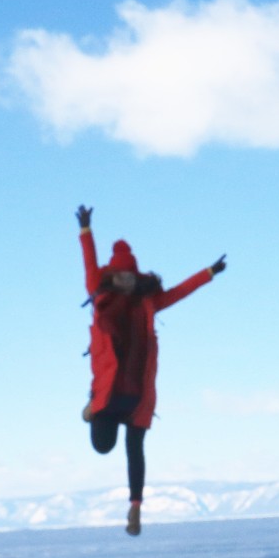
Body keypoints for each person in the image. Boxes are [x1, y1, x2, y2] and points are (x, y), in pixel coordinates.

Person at [76, 205, 226, 535]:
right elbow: (89, 264)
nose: (126, 281)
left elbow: (179, 292)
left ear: (136, 277)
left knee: (136, 449)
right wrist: (86, 231)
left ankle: (135, 510)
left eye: (131, 276)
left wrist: (208, 273)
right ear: (113, 277)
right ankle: (92, 410)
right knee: (103, 447)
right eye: (121, 276)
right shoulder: (99, 295)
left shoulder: (148, 303)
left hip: (137, 394)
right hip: (108, 390)